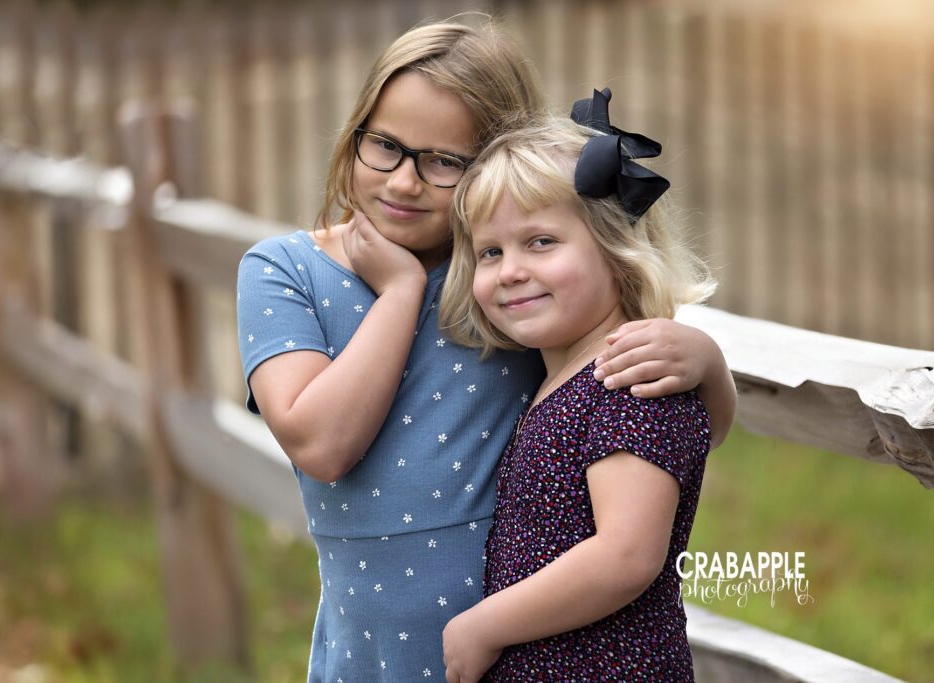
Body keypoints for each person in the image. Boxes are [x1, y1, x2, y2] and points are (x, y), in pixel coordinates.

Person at [236, 19, 735, 683]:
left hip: (529, 648)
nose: (407, 181)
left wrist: (708, 364)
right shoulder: (286, 271)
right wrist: (400, 291)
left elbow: (668, 434)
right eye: (386, 145)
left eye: (444, 161)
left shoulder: (510, 293)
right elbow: (322, 444)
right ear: (354, 133)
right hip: (375, 651)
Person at [439, 92, 714, 682]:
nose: (511, 269)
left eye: (540, 241)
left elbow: (626, 556)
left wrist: (482, 626)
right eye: (491, 251)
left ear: (615, 251)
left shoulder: (628, 376)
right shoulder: (563, 379)